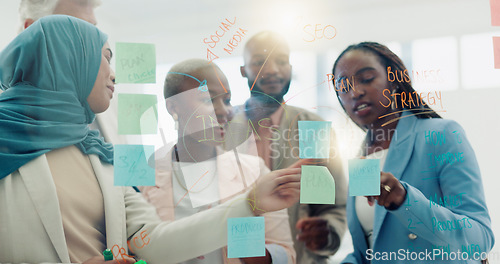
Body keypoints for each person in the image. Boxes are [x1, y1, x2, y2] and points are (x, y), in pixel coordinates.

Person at [0, 15, 302, 264]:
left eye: (225, 100)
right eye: (105, 58)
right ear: (70, 62)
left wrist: (249, 203)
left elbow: (152, 242)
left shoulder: (100, 157)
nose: (114, 74)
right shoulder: (6, 144)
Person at [331, 42, 494, 263]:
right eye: (343, 86)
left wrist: (404, 199)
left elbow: (479, 241)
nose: (355, 92)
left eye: (367, 78)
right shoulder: (360, 160)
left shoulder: (441, 135)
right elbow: (368, 252)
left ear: (394, 81)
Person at [141, 58, 301, 264]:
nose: (223, 110)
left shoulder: (254, 171)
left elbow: (286, 255)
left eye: (226, 100)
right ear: (173, 107)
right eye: (208, 100)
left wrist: (247, 248)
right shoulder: (143, 175)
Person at [229, 30, 347, 264]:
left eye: (281, 61)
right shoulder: (221, 128)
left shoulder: (312, 127)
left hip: (300, 257)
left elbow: (331, 205)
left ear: (291, 68)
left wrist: (326, 234)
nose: (272, 69)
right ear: (243, 71)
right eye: (260, 62)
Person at [17, 0, 124, 145]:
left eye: (92, 32)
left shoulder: (108, 101)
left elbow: (126, 165)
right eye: (78, 31)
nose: (91, 43)